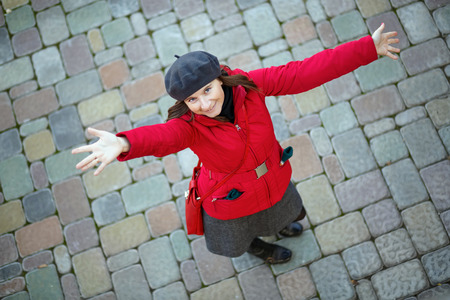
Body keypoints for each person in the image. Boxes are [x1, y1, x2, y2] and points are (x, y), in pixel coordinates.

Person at [72, 23, 400, 264]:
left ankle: (279, 227)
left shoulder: (250, 85)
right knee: (241, 234)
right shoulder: (188, 125)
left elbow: (302, 73)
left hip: (273, 178)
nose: (203, 103)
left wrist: (366, 49)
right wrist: (124, 143)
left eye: (207, 91)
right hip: (232, 199)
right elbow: (162, 137)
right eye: (192, 99)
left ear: (220, 79)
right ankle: (258, 248)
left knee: (281, 212)